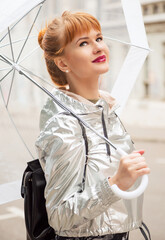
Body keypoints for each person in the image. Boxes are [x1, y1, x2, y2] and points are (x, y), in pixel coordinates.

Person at [35, 11, 150, 240]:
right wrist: (115, 183)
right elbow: (59, 216)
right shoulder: (64, 125)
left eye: (98, 38)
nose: (98, 47)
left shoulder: (106, 110)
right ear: (63, 62)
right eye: (83, 43)